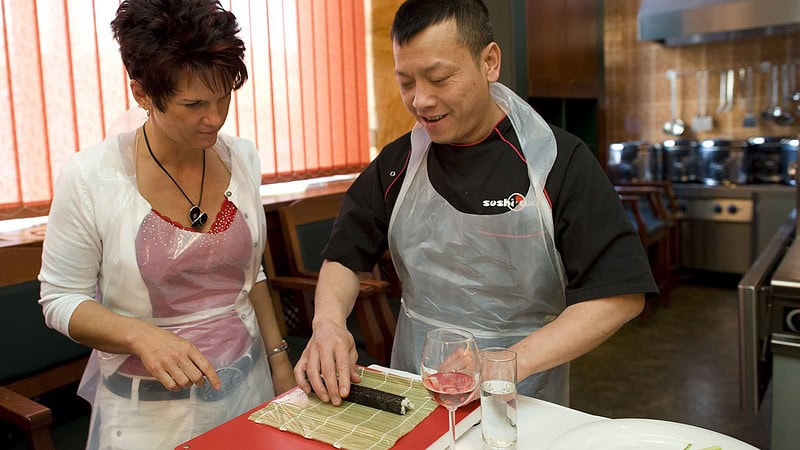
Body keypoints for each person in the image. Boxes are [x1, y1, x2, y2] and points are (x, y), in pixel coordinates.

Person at [294, 0, 656, 407]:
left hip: (524, 394)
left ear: (490, 62)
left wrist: (502, 364)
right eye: (407, 82)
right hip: (418, 393)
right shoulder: (399, 163)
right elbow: (344, 256)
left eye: (439, 78)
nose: (421, 101)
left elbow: (619, 296)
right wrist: (327, 324)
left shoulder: (555, 160)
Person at [38, 0, 295, 448]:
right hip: (147, 416)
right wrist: (139, 335)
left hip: (247, 386)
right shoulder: (91, 176)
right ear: (142, 94)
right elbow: (60, 299)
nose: (214, 118)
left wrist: (278, 362)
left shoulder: (242, 157)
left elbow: (252, 276)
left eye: (223, 97)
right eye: (193, 104)